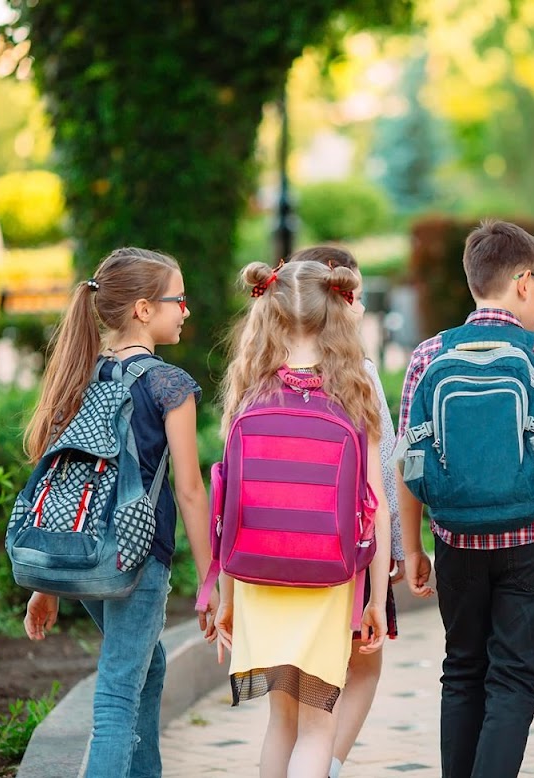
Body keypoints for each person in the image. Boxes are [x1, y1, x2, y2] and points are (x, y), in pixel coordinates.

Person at [397, 220, 534, 778]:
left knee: (462, 671)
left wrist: (413, 547)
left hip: (456, 538)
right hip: (533, 541)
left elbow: (410, 461)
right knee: (514, 680)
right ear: (524, 283)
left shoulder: (427, 357)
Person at [21, 247, 217, 778]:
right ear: (143, 309)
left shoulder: (82, 375)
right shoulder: (169, 385)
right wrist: (209, 581)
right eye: (179, 299)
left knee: (145, 665)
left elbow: (69, 482)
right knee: (116, 696)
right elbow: (191, 490)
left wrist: (50, 584)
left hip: (85, 555)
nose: (187, 310)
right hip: (135, 561)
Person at [213, 259, 391, 778]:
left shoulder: (248, 394)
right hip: (329, 582)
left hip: (258, 581)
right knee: (319, 726)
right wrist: (376, 602)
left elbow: (230, 508)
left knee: (280, 721)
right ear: (336, 311)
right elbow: (375, 513)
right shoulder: (354, 396)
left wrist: (226, 598)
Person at [286, 245, 405, 778]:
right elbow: (382, 473)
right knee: (361, 669)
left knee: (285, 704)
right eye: (350, 294)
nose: (357, 306)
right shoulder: (357, 373)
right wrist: (397, 552)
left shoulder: (262, 373)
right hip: (347, 555)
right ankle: (326, 766)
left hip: (276, 555)